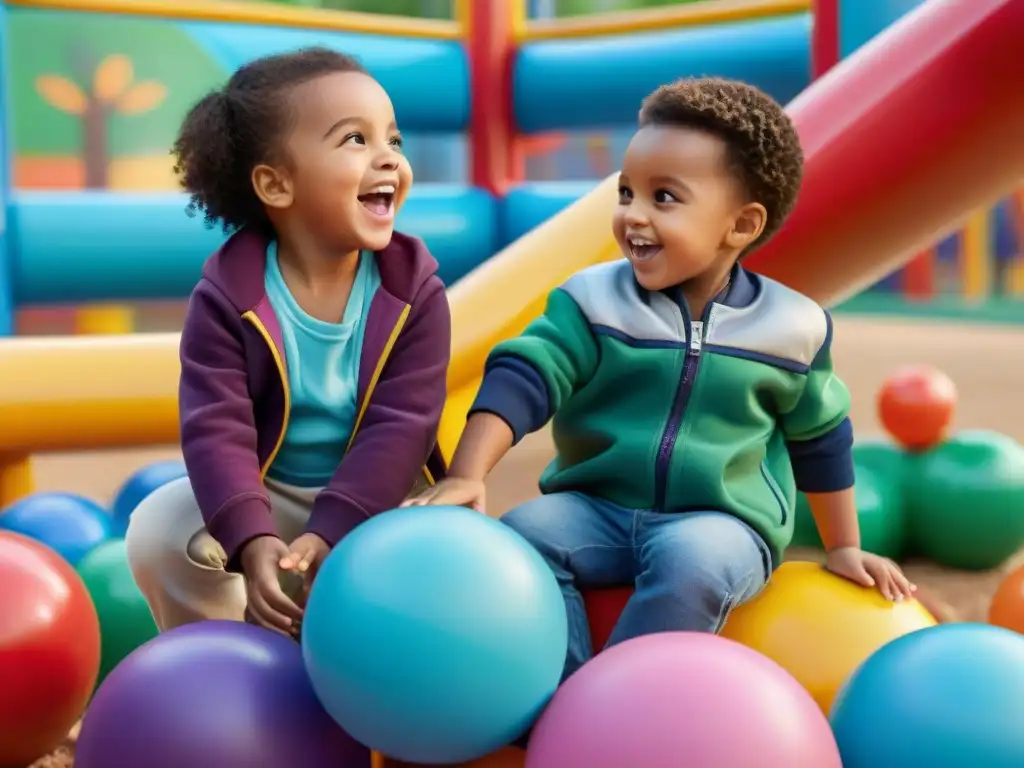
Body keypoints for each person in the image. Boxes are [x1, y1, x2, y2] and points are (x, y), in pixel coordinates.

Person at [406, 78, 914, 684]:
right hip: (595, 508)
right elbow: (526, 375)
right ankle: (560, 695)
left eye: (664, 197)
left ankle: (618, 698)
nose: (632, 216)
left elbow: (821, 440)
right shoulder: (592, 300)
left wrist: (843, 547)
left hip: (723, 523)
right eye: (625, 192)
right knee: (525, 535)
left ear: (741, 225)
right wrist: (467, 472)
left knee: (692, 562)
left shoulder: (792, 328)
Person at [126, 47, 450, 638]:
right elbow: (216, 427)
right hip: (271, 491)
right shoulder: (228, 297)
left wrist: (332, 530)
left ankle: (377, 684)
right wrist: (252, 539)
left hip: (380, 495)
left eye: (394, 141)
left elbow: (403, 426)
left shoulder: (415, 292)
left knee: (447, 549)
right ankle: (223, 658)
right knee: (157, 529)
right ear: (276, 185)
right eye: (356, 139)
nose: (388, 160)